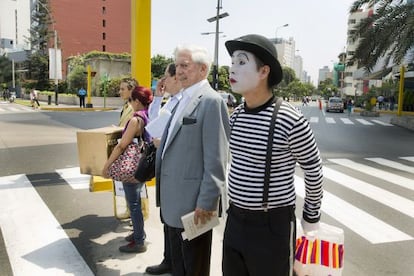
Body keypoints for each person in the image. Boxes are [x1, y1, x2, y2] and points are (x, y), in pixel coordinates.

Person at [223, 34, 323, 276]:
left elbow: (313, 167)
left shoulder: (290, 119)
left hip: (271, 225)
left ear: (263, 71)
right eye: (232, 62)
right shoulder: (236, 116)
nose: (231, 68)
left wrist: (311, 217)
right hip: (234, 219)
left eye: (241, 62)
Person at [155, 44, 230, 276]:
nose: (178, 71)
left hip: (194, 208)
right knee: (179, 267)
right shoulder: (180, 99)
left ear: (203, 69)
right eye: (177, 65)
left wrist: (207, 203)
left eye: (185, 65)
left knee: (194, 268)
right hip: (173, 202)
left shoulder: (211, 101)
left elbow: (217, 158)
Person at [102, 85, 153, 253]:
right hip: (142, 163)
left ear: (137, 101)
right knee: (135, 201)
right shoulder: (149, 115)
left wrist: (107, 165)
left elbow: (122, 146)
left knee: (134, 204)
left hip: (131, 165)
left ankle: (139, 241)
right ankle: (138, 233)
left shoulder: (134, 120)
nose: (129, 103)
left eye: (131, 99)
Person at [145, 63, 183, 275]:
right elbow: (153, 124)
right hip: (166, 170)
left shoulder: (184, 101)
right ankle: (169, 260)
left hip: (177, 172)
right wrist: (157, 97)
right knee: (167, 218)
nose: (163, 82)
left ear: (176, 78)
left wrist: (163, 140)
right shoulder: (173, 101)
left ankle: (175, 264)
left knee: (177, 224)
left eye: (165, 78)